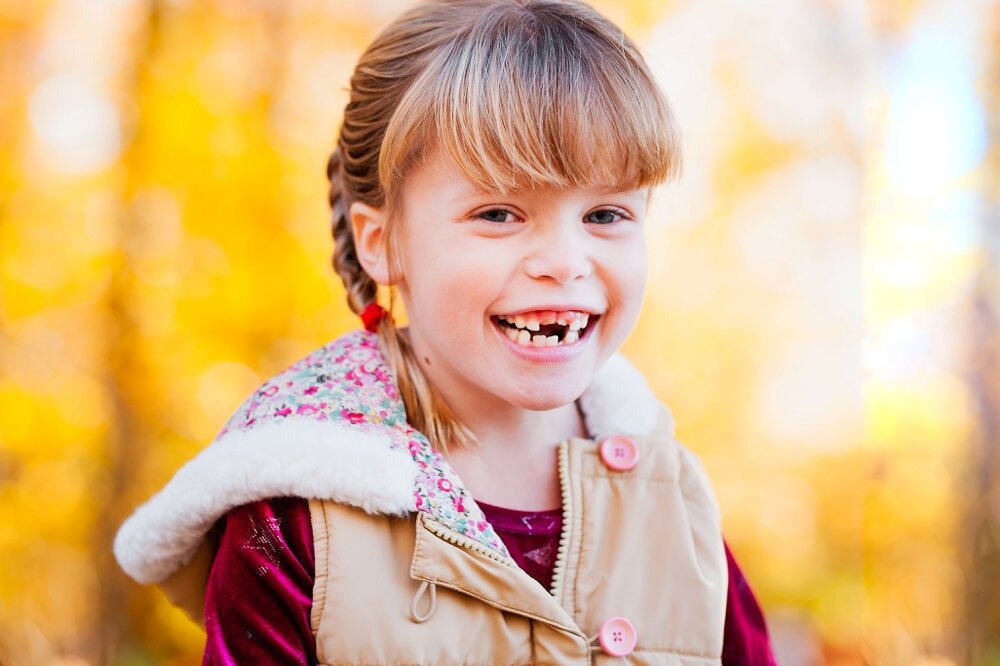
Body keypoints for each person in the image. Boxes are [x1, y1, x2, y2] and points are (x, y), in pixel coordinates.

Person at [114, 0, 776, 663]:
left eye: (605, 213)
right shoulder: (292, 525)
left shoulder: (674, 506)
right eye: (498, 213)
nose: (566, 263)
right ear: (382, 243)